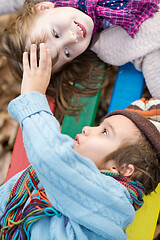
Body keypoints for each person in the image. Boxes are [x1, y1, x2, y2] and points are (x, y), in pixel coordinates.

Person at [0, 43, 160, 240]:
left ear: (122, 169)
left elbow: (52, 156)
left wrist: (33, 97)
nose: (87, 128)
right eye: (98, 126)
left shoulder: (111, 199)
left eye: (104, 133)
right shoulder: (49, 182)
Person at [0, 0, 159, 116]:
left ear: (44, 7)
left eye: (55, 34)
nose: (71, 38)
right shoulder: (114, 45)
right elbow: (152, 64)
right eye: (67, 53)